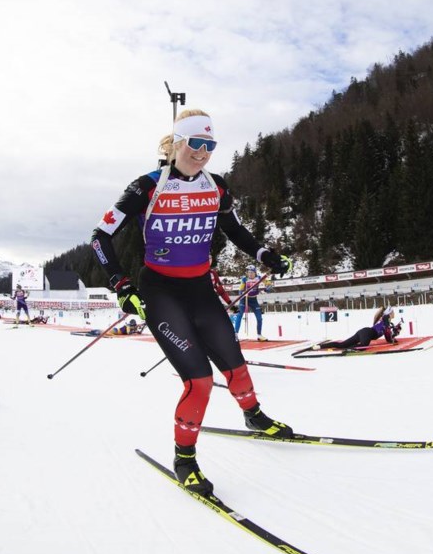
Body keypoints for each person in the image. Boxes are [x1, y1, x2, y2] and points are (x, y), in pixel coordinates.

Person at [91, 108, 294, 497]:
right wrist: (120, 283)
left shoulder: (216, 186)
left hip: (200, 288)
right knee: (199, 381)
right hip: (160, 292)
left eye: (210, 145)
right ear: (178, 143)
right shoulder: (146, 186)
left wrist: (265, 254)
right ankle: (185, 459)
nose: (202, 153)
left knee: (235, 364)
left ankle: (253, 416)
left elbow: (234, 229)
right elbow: (100, 236)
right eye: (195, 144)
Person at [315, 307, 401, 351]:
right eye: (393, 312)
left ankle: (319, 346)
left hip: (364, 332)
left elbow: (388, 339)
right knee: (363, 347)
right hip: (367, 333)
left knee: (342, 344)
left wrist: (395, 334)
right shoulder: (385, 318)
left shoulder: (386, 321)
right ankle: (347, 349)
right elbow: (386, 326)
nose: (394, 313)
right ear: (389, 313)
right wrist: (394, 329)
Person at [231, 265, 267, 341]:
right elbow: (240, 290)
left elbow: (269, 285)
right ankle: (235, 334)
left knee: (259, 318)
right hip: (244, 300)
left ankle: (259, 335)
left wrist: (265, 290)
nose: (250, 274)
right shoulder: (244, 279)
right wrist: (243, 293)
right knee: (239, 315)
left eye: (252, 272)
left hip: (254, 300)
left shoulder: (259, 278)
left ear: (255, 272)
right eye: (249, 272)